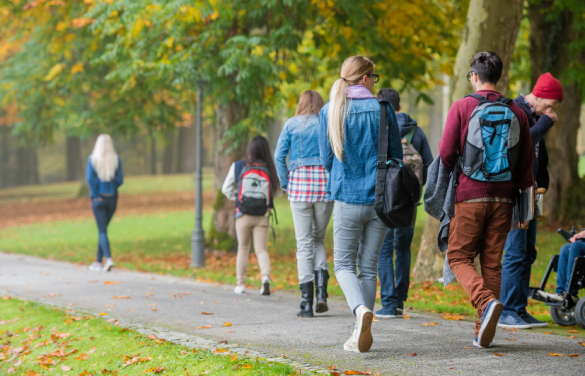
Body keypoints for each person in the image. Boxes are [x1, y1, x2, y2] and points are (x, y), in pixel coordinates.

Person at [439, 52, 534, 348]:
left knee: (458, 257)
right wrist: (525, 207)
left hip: (470, 195)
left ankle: (485, 301)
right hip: (505, 198)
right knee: (492, 263)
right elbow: (526, 164)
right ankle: (483, 329)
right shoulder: (518, 112)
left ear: (474, 76)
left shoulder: (463, 106)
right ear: (499, 77)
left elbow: (445, 153)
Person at [319, 56, 402, 353]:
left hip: (347, 198)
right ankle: (359, 331)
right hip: (380, 200)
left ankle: (359, 312)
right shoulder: (383, 109)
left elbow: (327, 160)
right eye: (374, 77)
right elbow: (396, 156)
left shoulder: (330, 110)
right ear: (366, 79)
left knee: (343, 265)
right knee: (368, 268)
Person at [499, 73, 563, 329]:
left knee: (528, 253)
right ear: (538, 95)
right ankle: (507, 312)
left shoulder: (535, 116)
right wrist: (546, 121)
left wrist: (543, 181)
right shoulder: (517, 111)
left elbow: (539, 153)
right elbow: (523, 145)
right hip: (514, 193)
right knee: (515, 252)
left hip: (531, 193)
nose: (551, 111)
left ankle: (520, 308)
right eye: (550, 105)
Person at [274, 90, 334, 318]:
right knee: (318, 240)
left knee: (304, 244)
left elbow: (279, 156)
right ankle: (321, 295)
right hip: (325, 188)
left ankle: (306, 304)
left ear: (300, 104)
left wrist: (286, 183)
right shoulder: (327, 124)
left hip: (299, 188)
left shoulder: (291, 124)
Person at [375, 88, 433, 319]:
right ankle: (399, 301)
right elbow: (428, 164)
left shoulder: (380, 127)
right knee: (404, 248)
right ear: (398, 106)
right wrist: (415, 191)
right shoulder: (416, 131)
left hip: (386, 201)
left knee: (384, 249)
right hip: (409, 202)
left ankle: (388, 304)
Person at [222, 136, 281, 296]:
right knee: (261, 249)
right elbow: (278, 192)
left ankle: (241, 285)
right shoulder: (270, 167)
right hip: (263, 215)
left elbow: (225, 189)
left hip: (243, 214)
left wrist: (239, 198)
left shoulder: (239, 166)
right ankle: (265, 280)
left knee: (243, 249)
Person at [86, 134, 123, 273]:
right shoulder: (115, 159)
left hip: (98, 199)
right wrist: (111, 187)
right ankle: (97, 261)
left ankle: (108, 258)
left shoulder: (93, 159)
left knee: (102, 230)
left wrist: (96, 195)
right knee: (103, 230)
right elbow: (120, 180)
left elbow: (89, 179)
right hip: (112, 198)